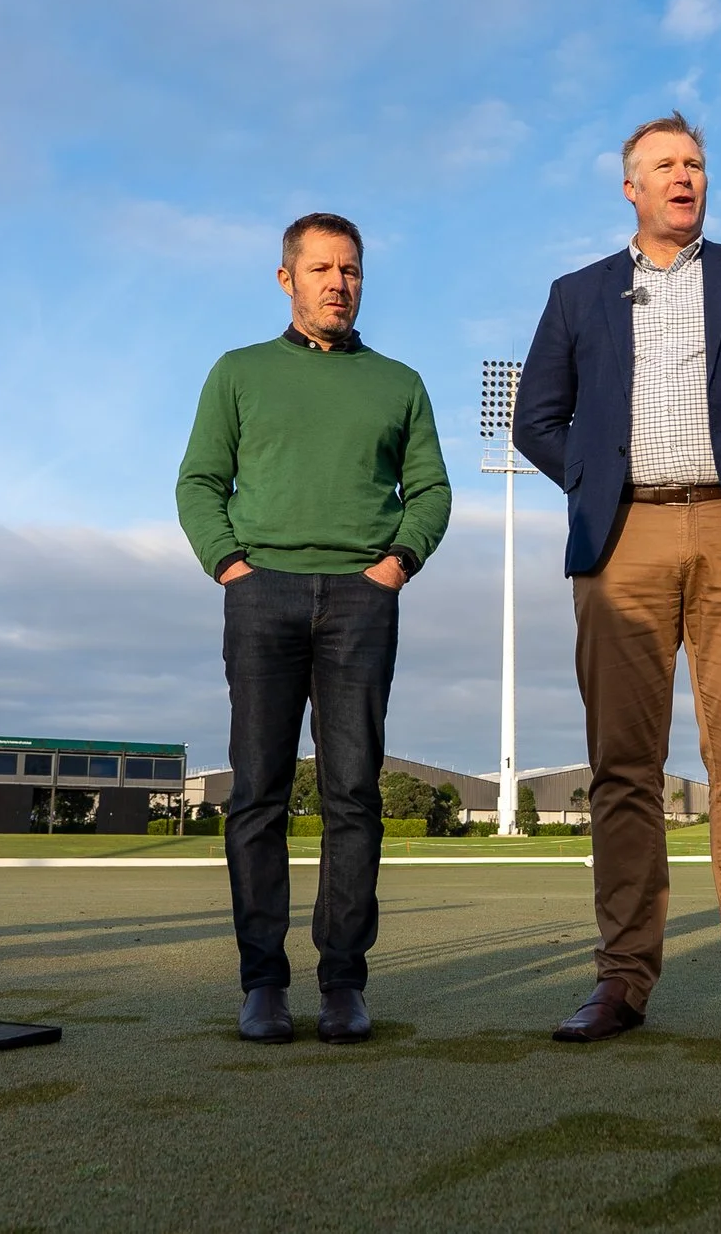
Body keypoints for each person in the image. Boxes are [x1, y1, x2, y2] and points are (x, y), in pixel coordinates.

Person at [514, 112, 721, 1047]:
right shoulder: (578, 294)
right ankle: (622, 980)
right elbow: (537, 419)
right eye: (663, 165)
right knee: (624, 767)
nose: (683, 176)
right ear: (631, 188)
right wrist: (596, 481)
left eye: (694, 163)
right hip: (623, 538)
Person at [176, 212, 451, 1046]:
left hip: (362, 600)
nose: (339, 283)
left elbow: (431, 490)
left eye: (351, 270)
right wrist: (231, 566)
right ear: (287, 278)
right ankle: (262, 983)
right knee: (257, 792)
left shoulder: (399, 382)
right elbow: (199, 482)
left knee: (353, 794)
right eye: (323, 269)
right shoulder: (239, 372)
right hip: (262, 594)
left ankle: (343, 983)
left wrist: (395, 565)